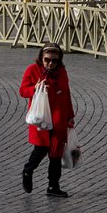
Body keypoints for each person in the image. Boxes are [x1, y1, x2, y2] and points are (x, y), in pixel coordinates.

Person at [19, 43, 75, 198]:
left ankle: (53, 187)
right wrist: (35, 88)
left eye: (55, 60)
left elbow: (66, 93)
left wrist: (70, 116)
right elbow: (23, 91)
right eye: (47, 60)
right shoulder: (33, 70)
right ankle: (28, 170)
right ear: (41, 58)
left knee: (56, 154)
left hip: (59, 119)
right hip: (41, 118)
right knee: (41, 149)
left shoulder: (62, 71)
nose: (51, 63)